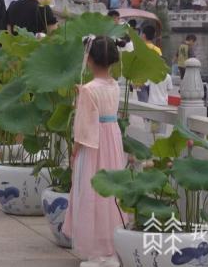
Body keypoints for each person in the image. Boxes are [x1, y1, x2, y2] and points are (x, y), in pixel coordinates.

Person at [62, 36, 127, 267]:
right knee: (110, 194)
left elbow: (83, 127)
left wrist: (75, 150)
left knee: (92, 192)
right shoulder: (115, 84)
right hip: (112, 139)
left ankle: (97, 250)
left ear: (88, 59)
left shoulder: (88, 90)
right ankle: (112, 246)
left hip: (93, 144)